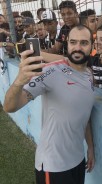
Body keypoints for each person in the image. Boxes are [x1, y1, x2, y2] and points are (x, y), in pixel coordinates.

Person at [3, 24, 95, 183]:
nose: (77, 47)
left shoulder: (89, 75)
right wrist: (19, 80)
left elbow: (85, 114)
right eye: (73, 42)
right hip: (53, 166)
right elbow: (9, 107)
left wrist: (91, 148)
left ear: (92, 46)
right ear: (67, 43)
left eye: (84, 43)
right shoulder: (50, 72)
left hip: (78, 160)